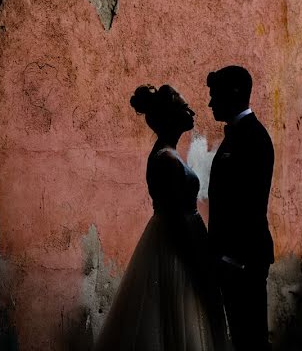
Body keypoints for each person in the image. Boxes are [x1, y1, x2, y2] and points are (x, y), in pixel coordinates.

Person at [94, 84, 230, 351]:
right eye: (183, 107)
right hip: (178, 249)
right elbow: (177, 219)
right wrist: (200, 262)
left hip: (176, 242)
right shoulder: (167, 160)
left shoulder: (168, 153)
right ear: (170, 116)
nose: (191, 111)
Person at [206, 66, 275, 351]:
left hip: (243, 261)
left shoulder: (253, 138)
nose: (210, 103)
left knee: (251, 338)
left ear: (234, 94)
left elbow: (250, 204)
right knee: (243, 335)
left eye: (215, 96)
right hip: (235, 260)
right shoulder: (239, 135)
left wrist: (233, 258)